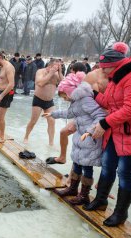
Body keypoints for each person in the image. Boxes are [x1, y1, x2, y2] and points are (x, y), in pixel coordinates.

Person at [83, 42, 131, 227]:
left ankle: (120, 213)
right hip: (115, 131)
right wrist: (93, 94)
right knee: (108, 166)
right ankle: (101, 200)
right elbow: (109, 102)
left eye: (104, 68)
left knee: (125, 173)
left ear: (114, 64)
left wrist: (104, 122)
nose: (102, 71)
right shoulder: (116, 78)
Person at [43, 72, 107, 206]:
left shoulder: (85, 100)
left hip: (89, 138)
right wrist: (53, 114)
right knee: (77, 163)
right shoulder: (76, 101)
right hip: (80, 137)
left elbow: (100, 115)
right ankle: (72, 188)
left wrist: (90, 131)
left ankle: (84, 195)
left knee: (87, 167)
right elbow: (69, 113)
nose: (65, 99)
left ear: (72, 91)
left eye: (65, 96)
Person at [45, 62, 101, 165]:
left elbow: (95, 106)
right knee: (65, 134)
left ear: (75, 71)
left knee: (78, 141)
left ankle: (73, 169)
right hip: (81, 114)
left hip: (89, 117)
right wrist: (53, 114)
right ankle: (63, 158)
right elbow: (71, 110)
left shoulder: (89, 83)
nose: (70, 72)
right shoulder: (78, 84)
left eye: (71, 70)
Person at [23, 58, 63, 146]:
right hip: (38, 99)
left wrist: (60, 72)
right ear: (50, 65)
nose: (57, 68)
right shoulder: (40, 71)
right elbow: (40, 83)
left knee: (52, 121)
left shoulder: (57, 74)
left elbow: (63, 84)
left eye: (59, 66)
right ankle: (26, 136)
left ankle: (51, 142)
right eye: (56, 66)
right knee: (33, 121)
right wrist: (50, 73)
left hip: (49, 101)